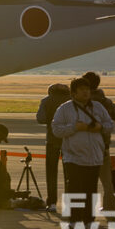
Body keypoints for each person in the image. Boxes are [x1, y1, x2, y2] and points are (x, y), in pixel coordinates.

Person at [52, 77, 113, 223]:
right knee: (75, 189)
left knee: (90, 189)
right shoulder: (65, 109)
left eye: (87, 89)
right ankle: (74, 218)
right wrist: (74, 127)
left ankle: (88, 218)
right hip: (74, 156)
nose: (86, 92)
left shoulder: (97, 107)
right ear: (73, 93)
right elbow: (56, 130)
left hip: (95, 156)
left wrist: (101, 127)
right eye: (82, 90)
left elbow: (110, 124)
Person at [83, 72, 115, 212]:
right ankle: (110, 207)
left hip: (83, 145)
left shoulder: (80, 102)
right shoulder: (104, 101)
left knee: (84, 180)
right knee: (107, 180)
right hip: (102, 145)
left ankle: (84, 209)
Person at [36, 82, 71, 211]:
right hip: (69, 140)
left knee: (51, 172)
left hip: (52, 140)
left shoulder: (46, 101)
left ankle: (52, 203)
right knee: (69, 173)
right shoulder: (71, 101)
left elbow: (41, 118)